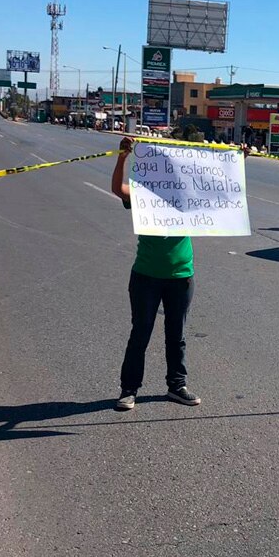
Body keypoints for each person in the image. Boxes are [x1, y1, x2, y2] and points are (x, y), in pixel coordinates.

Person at [110, 137, 201, 411]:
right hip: (146, 276)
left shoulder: (187, 194)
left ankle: (177, 386)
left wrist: (237, 159)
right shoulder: (144, 196)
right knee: (141, 333)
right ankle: (129, 389)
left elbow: (221, 192)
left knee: (177, 334)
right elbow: (118, 189)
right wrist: (122, 157)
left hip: (181, 276)